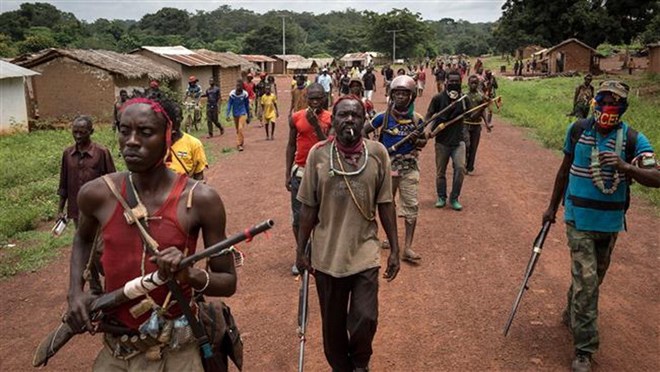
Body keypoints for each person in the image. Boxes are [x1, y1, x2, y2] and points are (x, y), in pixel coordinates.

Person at [65, 94, 237, 371]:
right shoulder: (97, 194)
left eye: (145, 132)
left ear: (168, 136)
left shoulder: (201, 200)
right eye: (124, 130)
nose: (132, 141)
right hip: (117, 349)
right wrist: (75, 292)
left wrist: (188, 275)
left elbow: (227, 282)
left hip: (177, 348)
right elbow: (82, 238)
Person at [542, 80, 659, 372]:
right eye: (603, 100)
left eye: (615, 103)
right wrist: (551, 207)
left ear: (623, 108)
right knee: (588, 282)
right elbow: (563, 170)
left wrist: (626, 167)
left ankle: (572, 311)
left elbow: (657, 177)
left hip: (609, 224)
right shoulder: (578, 130)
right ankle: (584, 350)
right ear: (594, 102)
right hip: (577, 219)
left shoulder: (633, 139)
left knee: (592, 281)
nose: (608, 107)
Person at [296, 95, 401, 372]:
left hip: (365, 252)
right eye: (343, 115)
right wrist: (300, 250)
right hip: (327, 256)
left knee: (366, 317)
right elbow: (307, 208)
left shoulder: (377, 153)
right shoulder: (318, 155)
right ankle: (342, 367)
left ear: (364, 119)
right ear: (334, 120)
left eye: (355, 115)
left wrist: (395, 250)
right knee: (333, 326)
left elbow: (386, 204)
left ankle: (361, 363)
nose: (350, 120)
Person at [363, 75, 426, 262]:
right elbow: (363, 131)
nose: (400, 97)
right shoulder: (383, 117)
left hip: (409, 167)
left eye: (405, 94)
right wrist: (374, 150)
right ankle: (389, 239)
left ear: (412, 97)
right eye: (397, 93)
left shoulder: (417, 119)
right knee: (385, 203)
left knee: (411, 205)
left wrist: (417, 139)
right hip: (388, 168)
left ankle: (407, 246)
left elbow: (423, 142)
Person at [285, 83, 332, 276]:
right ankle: (302, 254)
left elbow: (327, 146)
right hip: (300, 172)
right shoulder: (296, 117)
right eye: (311, 98)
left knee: (323, 217)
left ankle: (321, 256)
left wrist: (315, 125)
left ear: (324, 98)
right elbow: (290, 146)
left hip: (322, 173)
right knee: (298, 217)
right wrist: (287, 173)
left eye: (318, 98)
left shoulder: (331, 118)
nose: (315, 102)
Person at [58, 116, 116, 226]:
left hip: (98, 208)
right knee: (81, 238)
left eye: (82, 132)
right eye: (75, 132)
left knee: (99, 240)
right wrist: (60, 210)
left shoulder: (102, 152)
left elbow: (112, 183)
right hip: (76, 209)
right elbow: (63, 184)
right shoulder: (67, 154)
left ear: (91, 132)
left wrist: (112, 209)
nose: (78, 136)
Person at [424, 70, 467, 211]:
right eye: (451, 81)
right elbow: (429, 114)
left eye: (457, 81)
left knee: (460, 168)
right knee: (440, 172)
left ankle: (454, 198)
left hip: (458, 141)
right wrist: (425, 128)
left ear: (460, 82)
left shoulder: (464, 99)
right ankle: (441, 197)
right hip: (441, 141)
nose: (454, 83)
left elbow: (472, 115)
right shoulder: (438, 98)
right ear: (446, 82)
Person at [168, 104, 208, 180]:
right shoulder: (157, 144)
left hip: (184, 189)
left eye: (175, 118)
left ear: (181, 119)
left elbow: (199, 175)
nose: (172, 122)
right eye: (169, 118)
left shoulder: (194, 144)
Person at [464, 75, 493, 175]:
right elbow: (469, 115)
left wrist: (487, 124)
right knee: (467, 145)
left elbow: (483, 112)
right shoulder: (465, 96)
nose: (473, 85)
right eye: (471, 83)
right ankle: (464, 162)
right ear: (468, 83)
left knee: (473, 147)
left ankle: (469, 167)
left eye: (475, 83)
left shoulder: (480, 96)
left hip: (476, 125)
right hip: (466, 124)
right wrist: (482, 107)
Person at [226, 80, 251, 151]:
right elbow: (229, 104)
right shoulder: (232, 94)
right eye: (237, 85)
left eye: (239, 86)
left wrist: (248, 116)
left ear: (242, 87)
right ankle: (241, 141)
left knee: (240, 128)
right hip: (235, 114)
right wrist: (227, 114)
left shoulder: (245, 94)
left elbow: (247, 105)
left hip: (243, 113)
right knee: (237, 130)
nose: (237, 87)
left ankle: (239, 145)